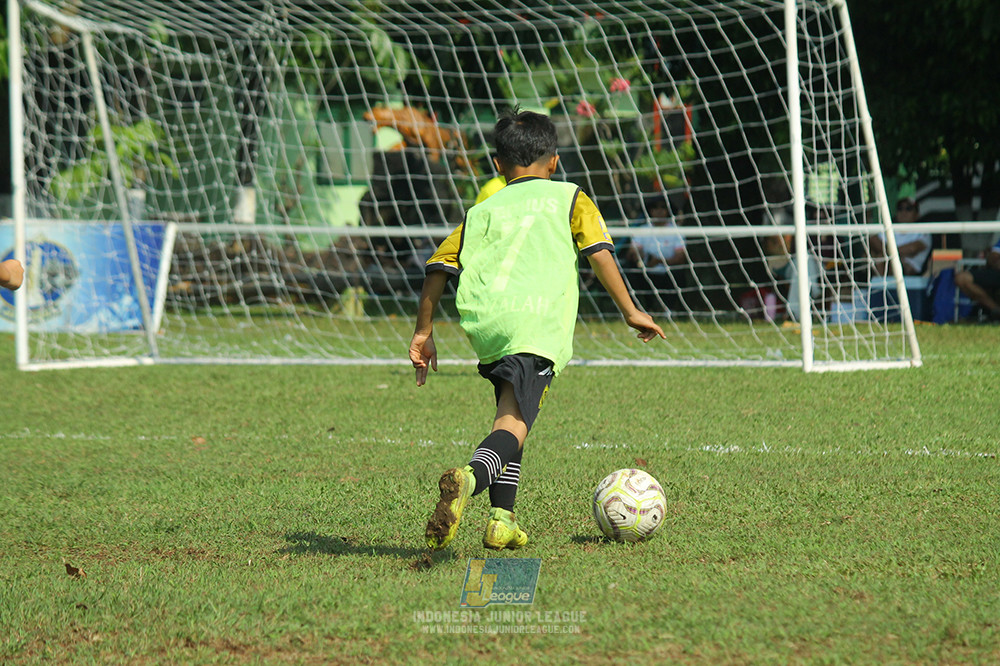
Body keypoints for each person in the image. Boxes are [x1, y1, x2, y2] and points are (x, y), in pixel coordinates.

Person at [409, 108, 665, 552]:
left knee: (509, 414)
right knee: (515, 426)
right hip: (536, 325)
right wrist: (630, 310)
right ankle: (468, 479)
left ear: (497, 165)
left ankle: (502, 520)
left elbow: (438, 268)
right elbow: (599, 252)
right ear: (554, 161)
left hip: (489, 326)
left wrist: (423, 332)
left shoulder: (480, 210)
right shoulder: (569, 197)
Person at [624, 193, 687, 313]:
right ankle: (635, 310)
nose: (659, 211)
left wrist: (658, 261)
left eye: (662, 207)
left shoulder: (676, 231)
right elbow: (632, 252)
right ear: (650, 211)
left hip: (668, 272)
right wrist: (640, 256)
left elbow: (680, 257)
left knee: (679, 274)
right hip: (645, 272)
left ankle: (671, 310)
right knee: (629, 271)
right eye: (655, 208)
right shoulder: (642, 230)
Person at [870, 197, 932, 276]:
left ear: (917, 214)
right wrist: (892, 253)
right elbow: (873, 239)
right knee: (877, 257)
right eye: (900, 209)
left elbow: (912, 248)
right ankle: (880, 286)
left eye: (908, 209)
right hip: (887, 263)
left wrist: (886, 251)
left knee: (889, 260)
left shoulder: (922, 231)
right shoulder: (891, 228)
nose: (904, 212)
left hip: (909, 271)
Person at [954, 236, 1000, 321]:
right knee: (962, 278)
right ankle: (995, 310)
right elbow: (993, 256)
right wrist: (996, 261)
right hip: (997, 272)